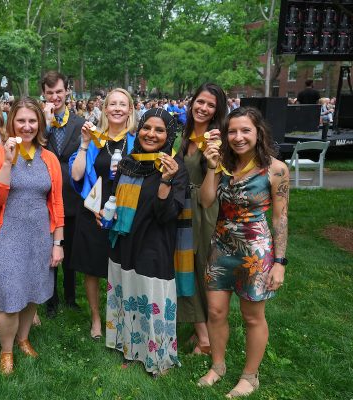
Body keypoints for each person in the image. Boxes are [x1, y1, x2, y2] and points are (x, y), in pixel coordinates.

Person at [198, 107, 289, 398]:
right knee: (215, 311)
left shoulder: (276, 169)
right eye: (232, 131)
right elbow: (206, 201)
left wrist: (280, 263)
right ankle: (218, 366)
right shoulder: (221, 164)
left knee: (252, 316)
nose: (238, 137)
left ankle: (250, 377)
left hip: (255, 252)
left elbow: (280, 218)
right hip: (221, 246)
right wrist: (211, 168)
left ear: (258, 132)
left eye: (245, 130)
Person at [0, 97, 64, 375]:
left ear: (39, 123)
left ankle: (24, 338)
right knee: (10, 297)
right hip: (5, 236)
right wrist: (7, 162)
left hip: (39, 236)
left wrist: (58, 243)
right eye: (21, 120)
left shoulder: (49, 159)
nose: (27, 126)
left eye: (32, 121)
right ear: (10, 122)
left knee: (33, 293)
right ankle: (6, 351)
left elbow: (57, 203)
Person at [105, 108, 187, 376]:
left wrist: (166, 179)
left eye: (159, 130)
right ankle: (131, 347)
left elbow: (167, 215)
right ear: (138, 129)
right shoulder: (130, 161)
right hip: (124, 239)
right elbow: (115, 196)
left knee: (151, 296)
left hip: (154, 242)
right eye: (146, 128)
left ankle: (158, 355)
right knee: (128, 291)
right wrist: (106, 212)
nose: (151, 134)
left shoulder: (175, 166)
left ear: (169, 135)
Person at [69, 88, 137, 340]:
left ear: (130, 110)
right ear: (105, 109)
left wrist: (124, 207)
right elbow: (76, 176)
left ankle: (119, 314)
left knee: (122, 266)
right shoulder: (96, 139)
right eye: (113, 104)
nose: (118, 108)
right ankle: (96, 318)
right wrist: (84, 145)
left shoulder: (137, 141)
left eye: (123, 104)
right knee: (92, 267)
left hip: (125, 211)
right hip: (94, 209)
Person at [177, 82, 228, 356]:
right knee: (187, 268)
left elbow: (213, 186)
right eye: (200, 101)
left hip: (204, 210)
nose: (204, 108)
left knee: (201, 269)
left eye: (210, 105)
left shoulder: (215, 139)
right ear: (192, 102)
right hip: (182, 206)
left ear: (217, 110)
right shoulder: (185, 135)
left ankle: (206, 337)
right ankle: (202, 332)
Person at [41, 71, 83, 315]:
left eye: (58, 91)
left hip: (71, 193)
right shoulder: (40, 122)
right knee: (50, 247)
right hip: (46, 193)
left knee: (70, 247)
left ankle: (70, 295)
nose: (55, 96)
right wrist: (45, 124)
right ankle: (50, 298)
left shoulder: (78, 123)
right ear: (44, 94)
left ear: (67, 91)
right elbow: (36, 146)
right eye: (50, 93)